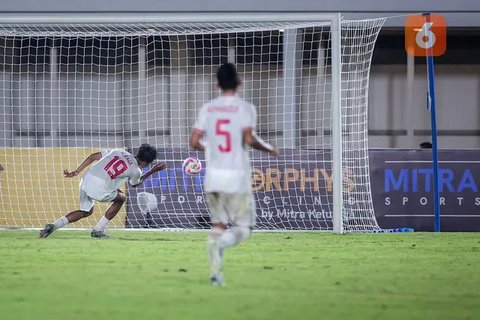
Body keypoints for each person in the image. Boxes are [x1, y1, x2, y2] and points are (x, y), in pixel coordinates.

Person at [190, 63, 278, 286]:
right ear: (239, 83)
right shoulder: (245, 108)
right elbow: (249, 139)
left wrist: (210, 147)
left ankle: (216, 275)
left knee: (218, 226)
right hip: (236, 177)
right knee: (244, 228)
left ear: (217, 85)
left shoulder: (208, 108)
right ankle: (219, 248)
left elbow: (193, 142)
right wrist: (269, 148)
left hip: (213, 178)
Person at [39, 144, 167, 238]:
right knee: (121, 198)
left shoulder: (119, 151)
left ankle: (53, 226)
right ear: (145, 162)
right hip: (99, 188)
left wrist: (76, 172)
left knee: (86, 211)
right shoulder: (136, 170)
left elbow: (93, 156)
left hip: (86, 180)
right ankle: (98, 230)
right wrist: (152, 171)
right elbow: (135, 184)